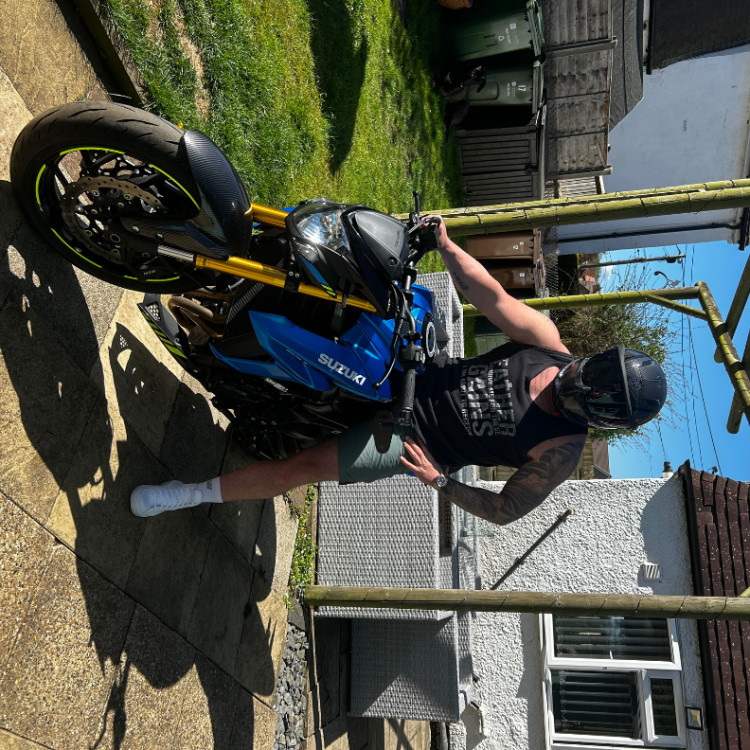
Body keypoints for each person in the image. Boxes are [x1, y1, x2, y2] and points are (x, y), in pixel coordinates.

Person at [130, 218, 667, 525]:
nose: (582, 380)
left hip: (408, 437)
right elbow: (492, 296)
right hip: (416, 364)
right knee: (342, 289)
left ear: (604, 414)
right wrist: (446, 247)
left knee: (302, 469)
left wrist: (441, 481)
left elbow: (508, 508)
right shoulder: (549, 344)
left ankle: (188, 492)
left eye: (598, 390)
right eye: (597, 369)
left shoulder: (562, 450)